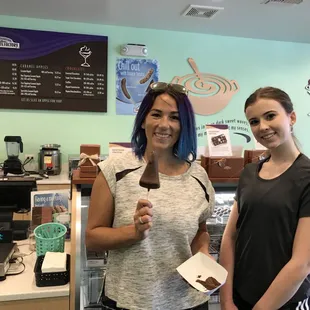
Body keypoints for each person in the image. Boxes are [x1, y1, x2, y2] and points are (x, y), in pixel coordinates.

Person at [86, 82, 215, 310]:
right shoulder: (114, 169)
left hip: (189, 301)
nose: (164, 125)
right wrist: (133, 233)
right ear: (143, 119)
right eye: (156, 114)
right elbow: (93, 237)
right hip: (131, 301)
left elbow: (200, 231)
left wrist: (203, 254)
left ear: (184, 125)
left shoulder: (199, 176)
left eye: (174, 117)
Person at [220, 87, 310, 310]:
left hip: (285, 301)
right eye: (254, 121)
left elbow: (302, 263)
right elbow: (230, 238)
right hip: (240, 296)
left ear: (292, 117)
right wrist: (226, 299)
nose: (262, 127)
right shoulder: (249, 173)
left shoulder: (307, 177)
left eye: (270, 116)